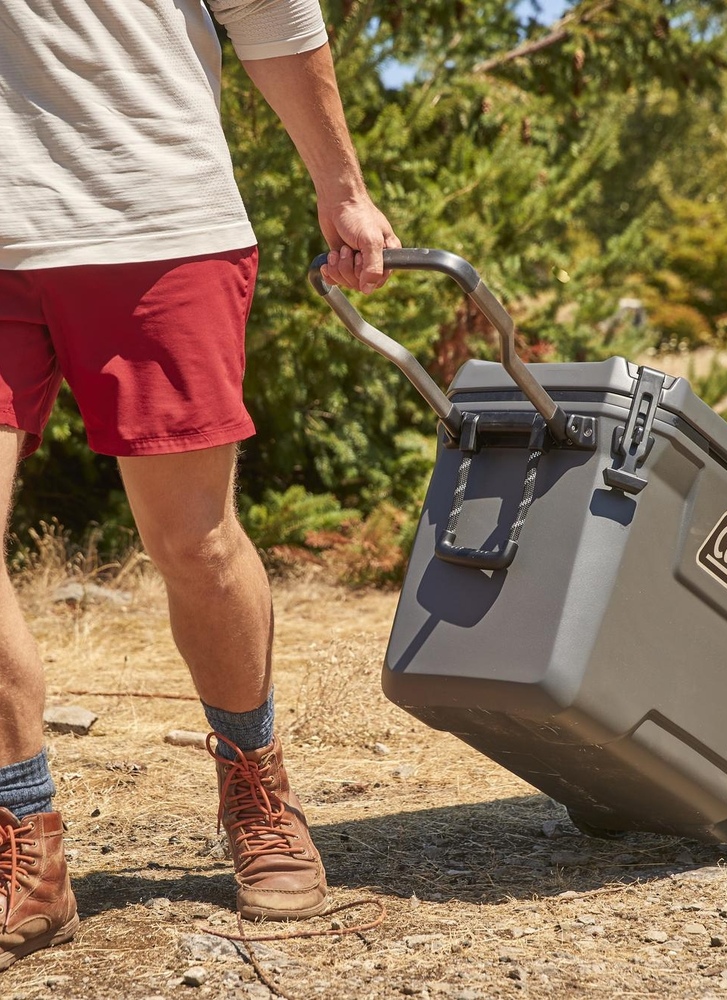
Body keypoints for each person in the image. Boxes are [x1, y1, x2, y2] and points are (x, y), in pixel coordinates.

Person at [0, 0, 400, 970]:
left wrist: (340, 189)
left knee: (193, 542)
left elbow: (268, 13)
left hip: (154, 217)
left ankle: (254, 782)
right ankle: (26, 839)